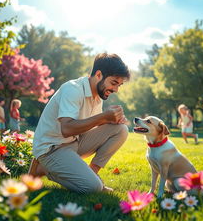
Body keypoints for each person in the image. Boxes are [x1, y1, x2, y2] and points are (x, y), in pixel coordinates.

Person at [29, 53, 130, 194]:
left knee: (121, 129)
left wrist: (111, 120)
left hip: (74, 143)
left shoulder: (98, 97)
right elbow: (67, 129)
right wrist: (104, 117)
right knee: (93, 188)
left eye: (119, 85)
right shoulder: (73, 89)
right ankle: (44, 168)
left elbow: (90, 125)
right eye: (113, 83)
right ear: (99, 75)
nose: (116, 90)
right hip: (52, 149)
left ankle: (92, 173)